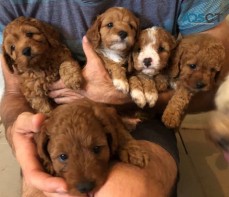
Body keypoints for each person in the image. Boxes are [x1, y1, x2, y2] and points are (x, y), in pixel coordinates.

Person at [0, 1, 228, 197]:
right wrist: (17, 135)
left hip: (139, 113)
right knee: (52, 191)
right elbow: (14, 93)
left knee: (124, 189)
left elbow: (211, 87)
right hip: (56, 123)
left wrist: (122, 96)